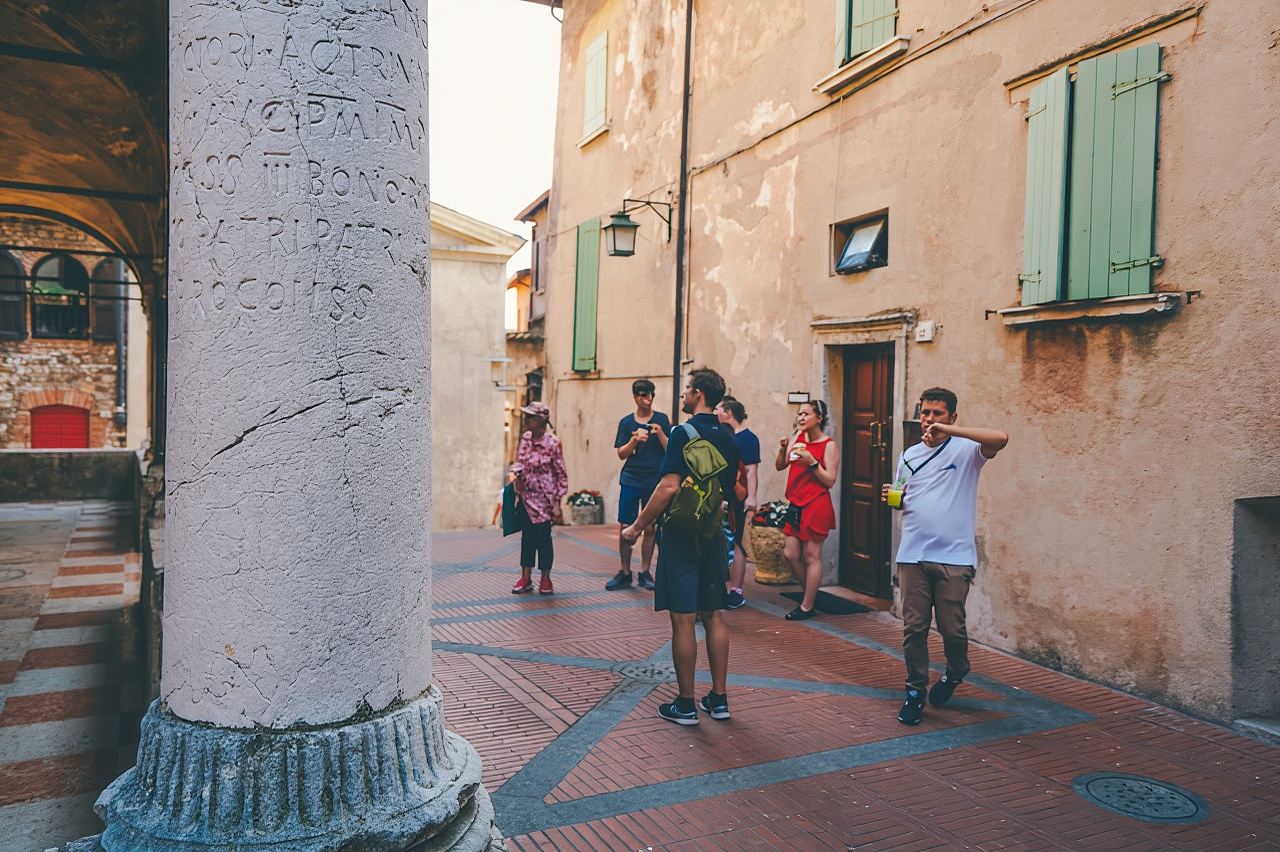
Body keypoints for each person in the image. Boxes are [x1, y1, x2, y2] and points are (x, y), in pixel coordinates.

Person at [882, 387, 1008, 726]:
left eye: (938, 413)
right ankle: (914, 692)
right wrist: (894, 497)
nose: (930, 419)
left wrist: (948, 432)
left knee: (952, 630)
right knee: (914, 629)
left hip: (954, 556)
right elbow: (902, 496)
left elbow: (1001, 437)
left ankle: (956, 671)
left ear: (952, 416)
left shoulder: (968, 450)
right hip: (913, 553)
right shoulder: (908, 454)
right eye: (925, 413)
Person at [622, 368, 739, 726]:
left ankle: (685, 704)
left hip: (681, 536)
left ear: (699, 394)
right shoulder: (729, 437)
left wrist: (638, 526)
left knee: (683, 618)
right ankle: (718, 700)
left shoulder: (681, 434)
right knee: (714, 614)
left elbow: (669, 487)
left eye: (687, 389)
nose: (683, 395)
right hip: (713, 533)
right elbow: (727, 492)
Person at [774, 399, 839, 621]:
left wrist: (812, 461)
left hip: (816, 503)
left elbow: (830, 480)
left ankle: (806, 605)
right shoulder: (797, 437)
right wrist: (783, 449)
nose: (800, 418)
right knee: (791, 553)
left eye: (806, 414)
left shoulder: (828, 445)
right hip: (795, 502)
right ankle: (810, 594)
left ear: (818, 418)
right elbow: (780, 465)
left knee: (812, 555)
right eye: (799, 414)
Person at [607, 379, 670, 591]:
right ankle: (625, 571)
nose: (649, 399)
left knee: (650, 527)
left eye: (651, 394)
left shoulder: (661, 419)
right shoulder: (626, 423)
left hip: (654, 479)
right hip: (631, 478)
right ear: (635, 397)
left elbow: (670, 449)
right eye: (644, 395)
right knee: (626, 526)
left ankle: (645, 571)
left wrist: (660, 433)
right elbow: (620, 453)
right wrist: (634, 440)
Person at [509, 402, 568, 596]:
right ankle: (525, 577)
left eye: (530, 417)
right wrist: (513, 474)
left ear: (540, 420)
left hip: (545, 498)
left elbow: (560, 471)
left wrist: (558, 503)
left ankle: (545, 578)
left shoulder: (553, 442)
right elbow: (520, 461)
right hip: (526, 495)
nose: (526, 421)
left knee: (543, 539)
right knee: (527, 537)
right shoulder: (526, 438)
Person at [714, 395, 760, 609]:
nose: (715, 413)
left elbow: (751, 471)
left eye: (718, 409)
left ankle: (736, 590)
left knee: (737, 541)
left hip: (737, 497)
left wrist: (751, 496)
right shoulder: (723, 435)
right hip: (721, 496)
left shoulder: (748, 438)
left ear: (729, 413)